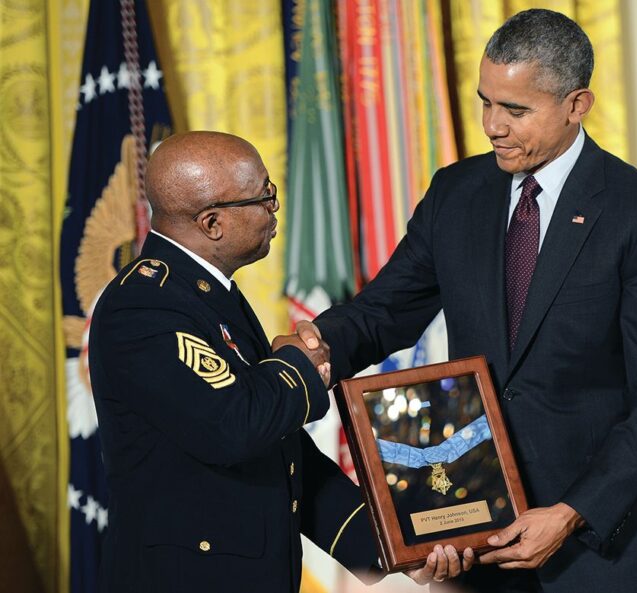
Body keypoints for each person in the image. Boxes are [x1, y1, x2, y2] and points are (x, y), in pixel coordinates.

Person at [288, 9, 637, 593]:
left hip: (602, 550)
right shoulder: (456, 193)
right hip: (477, 538)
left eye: (515, 110)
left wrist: (570, 513)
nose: (492, 126)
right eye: (485, 102)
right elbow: (383, 313)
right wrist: (311, 350)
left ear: (577, 104)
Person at [88, 131, 471, 592]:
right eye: (264, 197)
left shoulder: (207, 294)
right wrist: (299, 361)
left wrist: (393, 546)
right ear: (212, 223)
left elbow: (281, 454)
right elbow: (235, 425)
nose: (274, 210)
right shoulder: (144, 306)